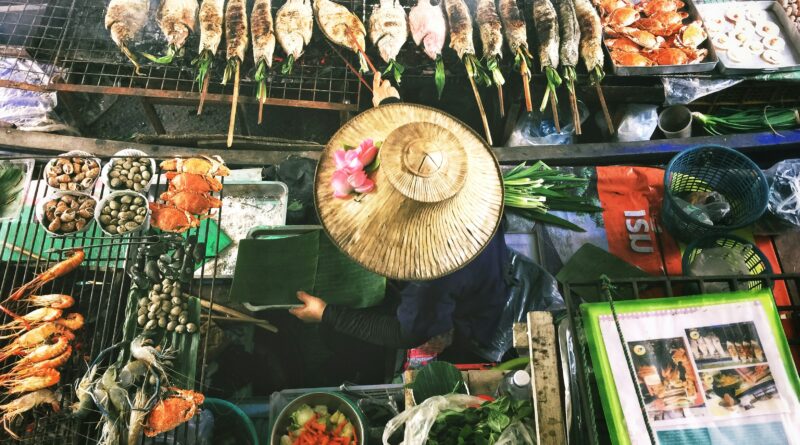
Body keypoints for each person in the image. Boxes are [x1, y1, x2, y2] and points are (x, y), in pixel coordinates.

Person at [289, 73, 511, 364]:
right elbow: (420, 158)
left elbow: (404, 333)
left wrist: (326, 314)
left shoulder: (429, 273)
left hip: (476, 307)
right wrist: (391, 105)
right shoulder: (456, 166)